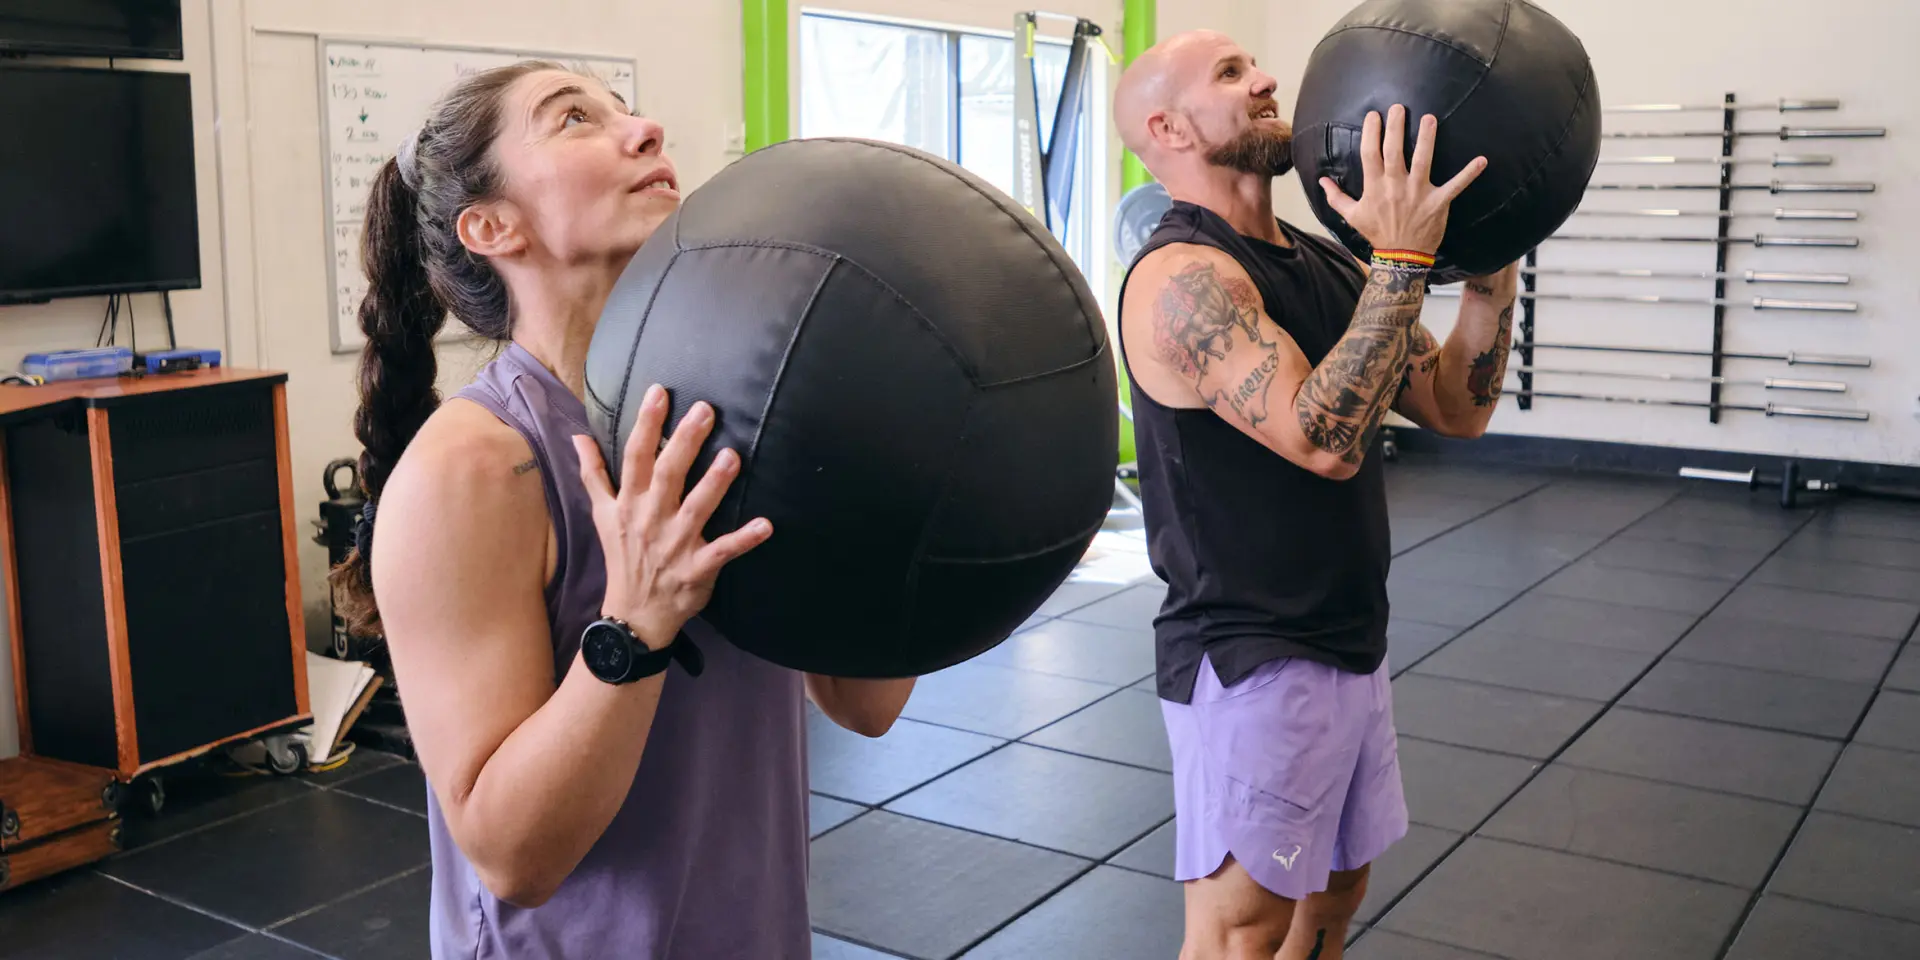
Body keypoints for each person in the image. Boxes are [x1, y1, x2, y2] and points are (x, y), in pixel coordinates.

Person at [328, 61, 917, 959]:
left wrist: (879, 493)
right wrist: (634, 628)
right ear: (491, 225)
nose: (644, 131)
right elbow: (512, 856)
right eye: (573, 120)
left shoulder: (724, 416)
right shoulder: (473, 470)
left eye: (629, 110)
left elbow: (866, 702)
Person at [1112, 31, 1518, 960]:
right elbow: (1324, 440)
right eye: (1230, 75)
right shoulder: (1181, 282)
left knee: (1335, 892)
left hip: (1346, 641)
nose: (1264, 80)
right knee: (1242, 930)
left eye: (1253, 64)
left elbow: (1454, 407)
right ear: (1166, 126)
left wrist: (1490, 284)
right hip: (1252, 660)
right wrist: (1403, 265)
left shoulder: (1331, 263)